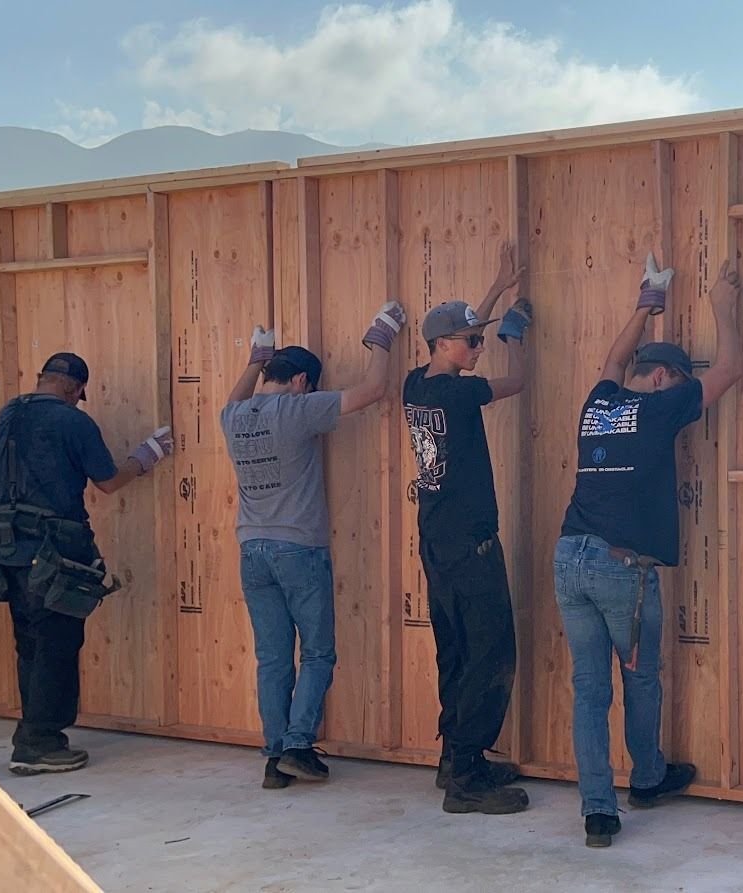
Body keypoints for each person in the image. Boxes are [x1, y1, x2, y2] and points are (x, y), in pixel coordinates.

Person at [553, 255, 743, 847]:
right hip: (622, 570)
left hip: (570, 560)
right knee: (638, 679)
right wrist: (723, 308)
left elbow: (613, 360)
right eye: (683, 382)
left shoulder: (599, 403)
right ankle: (649, 777)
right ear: (665, 379)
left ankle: (598, 813)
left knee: (589, 686)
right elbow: (732, 368)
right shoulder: (662, 408)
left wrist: (648, 300)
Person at [220, 304, 406, 790]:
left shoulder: (235, 417)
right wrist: (382, 337)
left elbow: (231, 398)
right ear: (302, 381)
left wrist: (255, 359)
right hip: (298, 550)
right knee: (319, 653)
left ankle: (275, 755)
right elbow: (373, 391)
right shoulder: (298, 410)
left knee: (274, 658)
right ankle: (298, 745)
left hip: (252, 549)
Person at [0, 352, 173, 775]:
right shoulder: (73, 421)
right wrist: (146, 455)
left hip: (6, 548)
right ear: (74, 387)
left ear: (43, 378)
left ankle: (31, 734)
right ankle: (39, 744)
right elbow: (109, 481)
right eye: (80, 394)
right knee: (57, 644)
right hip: (53, 553)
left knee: (31, 643)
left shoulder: (9, 412)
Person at [404, 241, 533, 815]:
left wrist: (498, 289)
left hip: (437, 544)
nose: (478, 347)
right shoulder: (460, 393)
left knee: (455, 651)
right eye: (472, 341)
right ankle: (468, 777)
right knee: (489, 653)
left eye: (481, 339)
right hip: (472, 548)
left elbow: (455, 329)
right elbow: (518, 382)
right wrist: (516, 337)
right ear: (442, 346)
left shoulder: (417, 384)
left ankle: (454, 758)